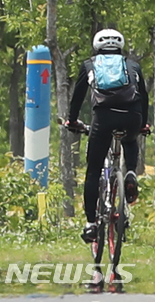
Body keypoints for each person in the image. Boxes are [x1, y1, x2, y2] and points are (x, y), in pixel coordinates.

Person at [65, 29, 150, 243]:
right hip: (132, 116)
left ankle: (91, 224)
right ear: (120, 46)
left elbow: (77, 97)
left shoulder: (89, 65)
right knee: (130, 140)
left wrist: (72, 120)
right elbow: (144, 96)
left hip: (103, 119)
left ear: (96, 46)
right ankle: (130, 172)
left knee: (93, 170)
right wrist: (143, 123)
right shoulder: (133, 66)